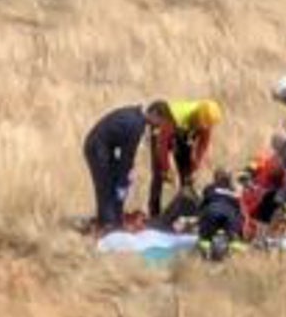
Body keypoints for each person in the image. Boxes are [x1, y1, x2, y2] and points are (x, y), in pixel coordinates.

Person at [146, 98, 223, 219]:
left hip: (182, 133)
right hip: (166, 128)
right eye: (201, 124)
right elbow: (162, 145)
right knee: (159, 173)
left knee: (187, 175)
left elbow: (202, 145)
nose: (204, 127)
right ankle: (154, 213)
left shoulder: (207, 119)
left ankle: (185, 210)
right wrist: (166, 169)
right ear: (198, 117)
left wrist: (195, 165)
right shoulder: (174, 117)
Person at [82, 103, 150, 232]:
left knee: (115, 181)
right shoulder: (137, 125)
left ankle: (111, 218)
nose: (160, 125)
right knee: (106, 185)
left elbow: (125, 159)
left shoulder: (135, 115)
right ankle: (109, 225)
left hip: (104, 147)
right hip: (97, 147)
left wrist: (123, 179)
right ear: (155, 115)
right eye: (161, 120)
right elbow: (127, 156)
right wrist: (123, 180)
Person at [196, 168, 244, 261]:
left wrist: (199, 220)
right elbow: (239, 210)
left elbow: (203, 204)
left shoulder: (209, 188)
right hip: (230, 215)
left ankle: (204, 257)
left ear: (215, 178)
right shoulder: (233, 190)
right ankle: (235, 258)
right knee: (234, 239)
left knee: (205, 238)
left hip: (212, 212)